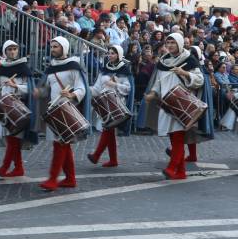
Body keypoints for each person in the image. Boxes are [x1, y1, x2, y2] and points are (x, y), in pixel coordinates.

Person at [141, 33, 207, 180]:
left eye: (172, 42)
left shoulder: (189, 60)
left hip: (182, 104)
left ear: (179, 43)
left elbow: (199, 80)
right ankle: (181, 172)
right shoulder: (163, 61)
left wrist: (184, 73)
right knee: (173, 137)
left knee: (177, 138)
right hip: (167, 104)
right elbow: (159, 81)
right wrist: (153, 93)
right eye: (168, 42)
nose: (169, 45)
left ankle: (171, 168)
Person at [35, 37, 90, 192]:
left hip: (67, 110)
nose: (52, 49)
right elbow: (47, 89)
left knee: (60, 144)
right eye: (51, 46)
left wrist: (71, 93)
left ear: (64, 48)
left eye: (56, 47)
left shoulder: (73, 66)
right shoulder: (51, 67)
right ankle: (70, 178)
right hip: (54, 110)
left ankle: (53, 179)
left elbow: (82, 88)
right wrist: (39, 91)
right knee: (63, 145)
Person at [0, 40, 35, 178]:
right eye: (10, 49)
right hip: (4, 108)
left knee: (13, 138)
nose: (13, 52)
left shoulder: (23, 68)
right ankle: (19, 168)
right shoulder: (2, 69)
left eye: (15, 49)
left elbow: (30, 89)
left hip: (18, 107)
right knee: (11, 138)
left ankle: (5, 167)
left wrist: (16, 86)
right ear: (5, 52)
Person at [87, 46, 134, 168]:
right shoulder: (104, 69)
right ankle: (113, 160)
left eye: (113, 53)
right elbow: (97, 87)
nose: (110, 55)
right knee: (109, 130)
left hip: (117, 102)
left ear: (119, 54)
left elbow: (128, 89)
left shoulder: (124, 69)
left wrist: (114, 84)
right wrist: (86, 90)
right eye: (109, 53)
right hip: (104, 103)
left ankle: (96, 155)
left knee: (107, 128)